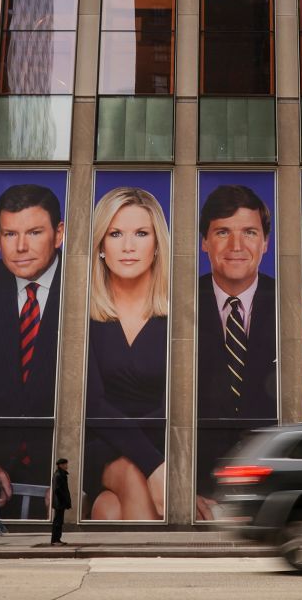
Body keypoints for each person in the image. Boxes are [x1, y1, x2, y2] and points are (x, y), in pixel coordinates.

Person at [0, 183, 64, 519]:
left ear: (59, 234)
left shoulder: (88, 283)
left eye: (34, 232)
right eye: (10, 234)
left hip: (67, 481)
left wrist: (79, 473)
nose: (21, 247)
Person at [84, 187, 170, 521]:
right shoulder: (83, 313)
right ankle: (155, 568)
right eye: (116, 233)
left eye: (141, 233)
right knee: (133, 475)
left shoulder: (178, 314)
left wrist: (156, 457)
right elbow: (92, 403)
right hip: (101, 446)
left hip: (160, 445)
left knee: (109, 509)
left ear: (156, 243)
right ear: (101, 246)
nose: (128, 246)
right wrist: (155, 466)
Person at [195, 184, 277, 520]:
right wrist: (180, 489)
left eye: (249, 232)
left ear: (266, 243)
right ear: (204, 242)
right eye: (223, 232)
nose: (236, 246)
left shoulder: (293, 304)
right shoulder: (175, 300)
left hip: (270, 494)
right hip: (198, 494)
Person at [50, 458, 71, 545]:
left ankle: (57, 539)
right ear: (60, 465)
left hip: (61, 502)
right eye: (65, 464)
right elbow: (57, 489)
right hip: (59, 502)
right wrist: (64, 499)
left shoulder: (62, 475)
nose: (67, 466)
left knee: (59, 521)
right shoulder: (58, 475)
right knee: (57, 522)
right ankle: (55, 540)